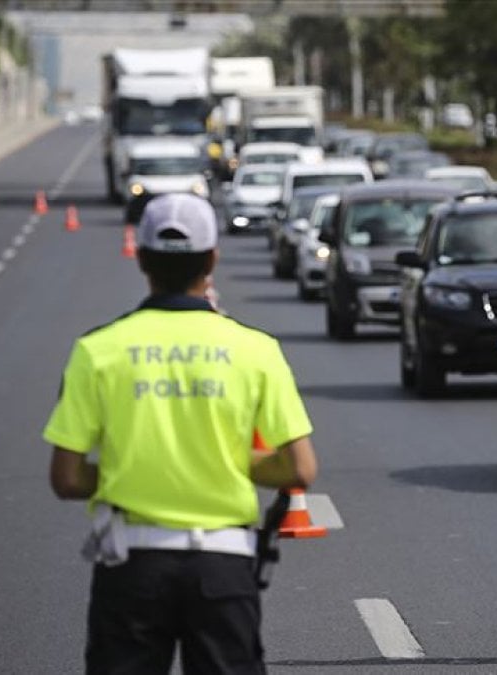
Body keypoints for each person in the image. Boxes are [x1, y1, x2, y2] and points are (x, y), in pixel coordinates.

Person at [44, 192, 317, 674]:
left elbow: (66, 478)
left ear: (142, 259)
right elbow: (300, 468)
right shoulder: (256, 350)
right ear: (212, 259)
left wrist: (129, 472)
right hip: (223, 567)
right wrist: (234, 465)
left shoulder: (97, 350)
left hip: (131, 566)